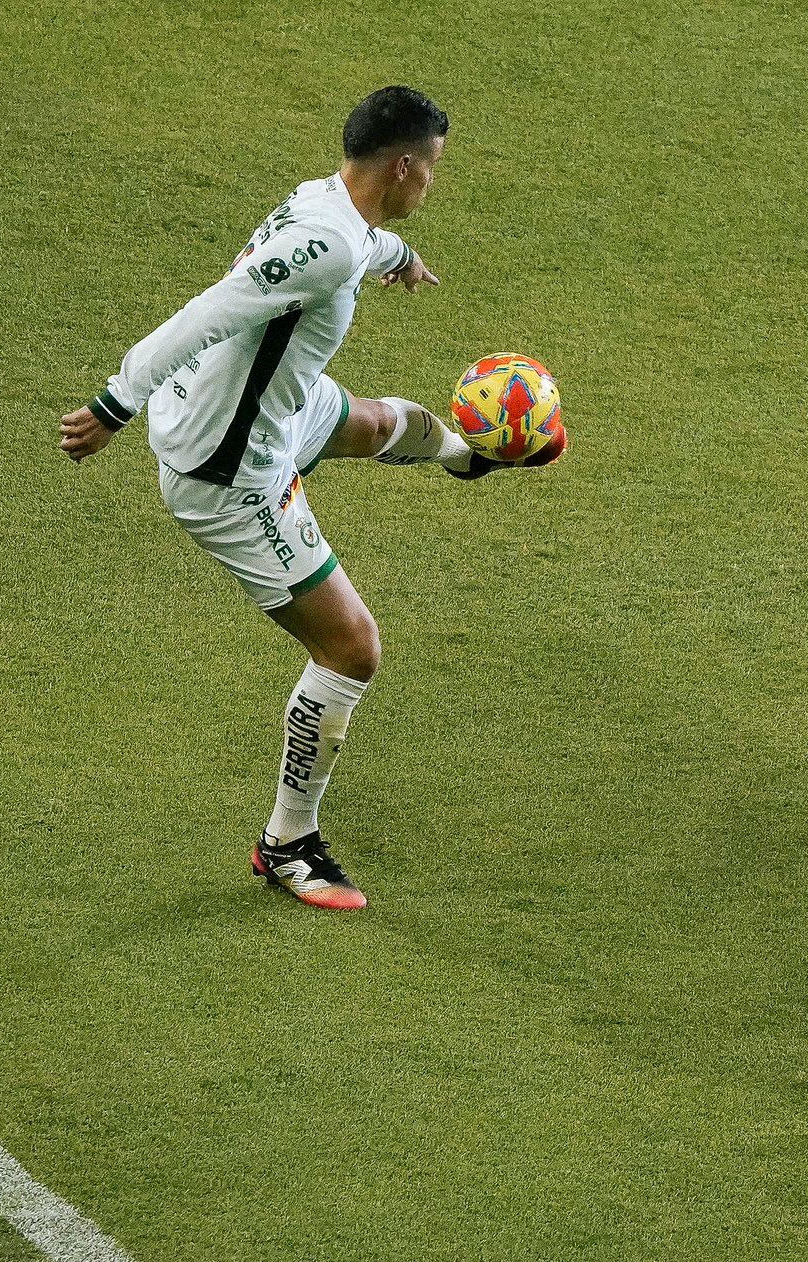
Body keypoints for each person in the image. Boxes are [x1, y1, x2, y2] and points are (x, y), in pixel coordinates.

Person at [59, 86, 562, 911]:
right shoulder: (329, 240)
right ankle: (288, 842)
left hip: (270, 409)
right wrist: (115, 405)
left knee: (374, 421)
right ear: (403, 167)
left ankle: (468, 459)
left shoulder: (326, 204)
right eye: (432, 169)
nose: (433, 184)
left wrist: (393, 256)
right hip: (228, 468)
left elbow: (347, 248)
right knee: (352, 648)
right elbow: (207, 313)